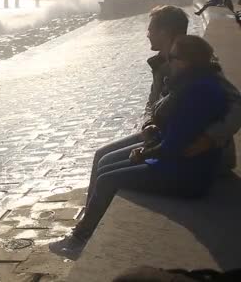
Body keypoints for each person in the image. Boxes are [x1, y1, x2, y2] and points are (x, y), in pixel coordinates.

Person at [50, 36, 231, 259]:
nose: (169, 61)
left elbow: (177, 144)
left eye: (173, 57)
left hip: (187, 176)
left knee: (108, 179)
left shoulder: (197, 92)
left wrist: (144, 152)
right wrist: (154, 131)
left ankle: (79, 241)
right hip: (181, 164)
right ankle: (85, 232)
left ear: (187, 62)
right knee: (106, 168)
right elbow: (177, 131)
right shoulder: (194, 83)